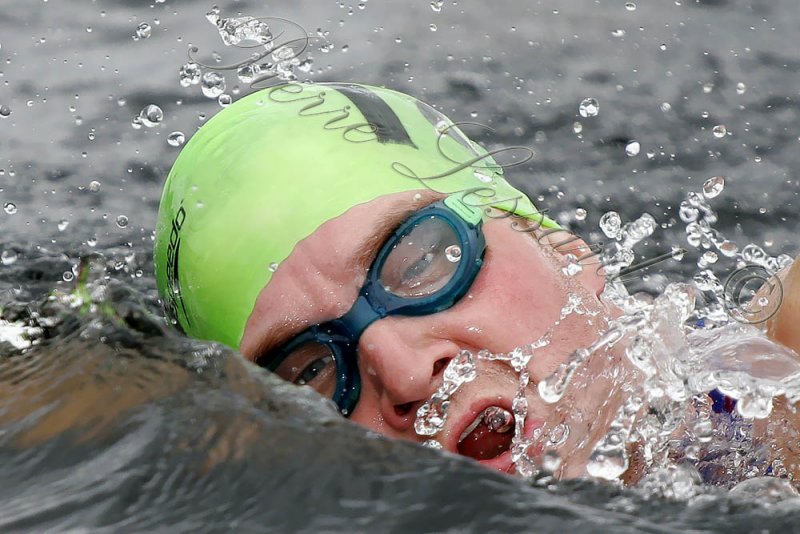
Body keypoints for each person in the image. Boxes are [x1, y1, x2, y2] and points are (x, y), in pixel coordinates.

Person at [153, 82, 800, 480]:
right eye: (311, 372)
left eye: (420, 262)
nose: (403, 374)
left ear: (565, 249)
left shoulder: (779, 383)